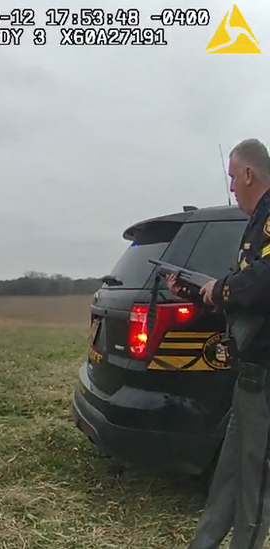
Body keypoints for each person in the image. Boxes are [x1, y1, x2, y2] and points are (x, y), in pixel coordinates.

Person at [181, 138, 270, 549]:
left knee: (255, 488)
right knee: (231, 476)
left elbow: (263, 281)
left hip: (265, 376)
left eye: (233, 177)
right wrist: (203, 292)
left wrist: (223, 290)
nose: (232, 187)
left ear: (249, 173)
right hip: (249, 375)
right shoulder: (255, 223)